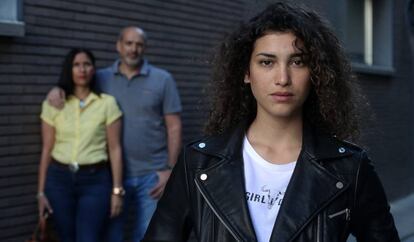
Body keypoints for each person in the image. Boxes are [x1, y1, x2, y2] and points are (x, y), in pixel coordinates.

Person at [143, 2, 400, 242]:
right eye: (267, 62)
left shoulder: (350, 168)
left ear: (316, 73)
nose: (282, 78)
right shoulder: (198, 163)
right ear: (246, 72)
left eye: (298, 62)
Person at [47, 27, 182, 242]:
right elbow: (75, 85)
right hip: (111, 177)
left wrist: (170, 170)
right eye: (129, 43)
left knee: (147, 235)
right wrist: (57, 90)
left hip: (152, 176)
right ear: (118, 46)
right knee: (112, 236)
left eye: (138, 44)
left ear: (144, 48)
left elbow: (174, 127)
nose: (133, 49)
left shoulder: (162, 79)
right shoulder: (101, 77)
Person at [38, 48, 124, 242]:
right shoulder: (54, 103)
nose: (82, 69)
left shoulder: (107, 103)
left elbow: (115, 148)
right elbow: (46, 149)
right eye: (76, 65)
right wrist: (41, 193)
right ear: (69, 69)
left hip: (95, 181)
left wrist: (117, 191)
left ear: (94, 69)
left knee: (88, 238)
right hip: (59, 180)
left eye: (87, 64)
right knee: (66, 237)